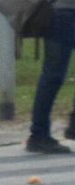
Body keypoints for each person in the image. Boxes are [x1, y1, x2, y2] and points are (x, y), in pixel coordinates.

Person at [26, 4, 75, 154]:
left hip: (60, 14)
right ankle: (39, 134)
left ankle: (39, 133)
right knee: (53, 76)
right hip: (64, 15)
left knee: (52, 76)